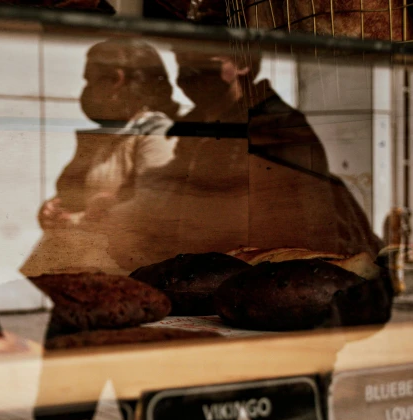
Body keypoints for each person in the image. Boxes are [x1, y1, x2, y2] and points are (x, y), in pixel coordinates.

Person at [103, 44, 382, 271]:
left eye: (205, 60)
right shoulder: (194, 129)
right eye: (182, 62)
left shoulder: (275, 125)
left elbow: (306, 230)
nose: (188, 74)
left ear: (242, 64)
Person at [21, 38, 180, 275]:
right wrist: (51, 210)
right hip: (77, 265)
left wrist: (78, 221)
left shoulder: (156, 133)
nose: (85, 90)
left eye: (90, 80)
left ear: (117, 79)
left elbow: (152, 208)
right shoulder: (110, 134)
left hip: (123, 271)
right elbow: (76, 194)